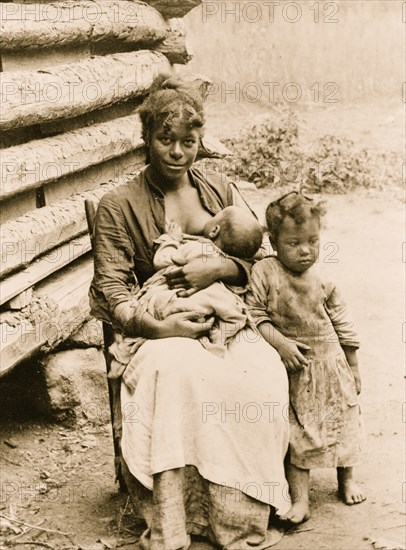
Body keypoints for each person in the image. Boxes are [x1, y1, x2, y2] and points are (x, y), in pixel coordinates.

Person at [89, 74, 291, 549]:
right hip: (158, 324)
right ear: (146, 139)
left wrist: (218, 268)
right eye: (166, 140)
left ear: (200, 140)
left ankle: (238, 517)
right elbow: (111, 289)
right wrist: (159, 327)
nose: (178, 152)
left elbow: (261, 257)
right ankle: (176, 522)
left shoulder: (219, 187)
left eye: (188, 141)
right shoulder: (119, 206)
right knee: (175, 373)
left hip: (222, 314)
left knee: (260, 371)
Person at [245, 190, 366, 526]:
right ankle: (300, 499)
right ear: (273, 241)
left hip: (331, 366)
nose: (305, 251)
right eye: (294, 243)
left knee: (344, 423)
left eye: (313, 241)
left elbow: (345, 326)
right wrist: (281, 344)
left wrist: (353, 367)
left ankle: (347, 479)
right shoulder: (265, 273)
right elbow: (254, 314)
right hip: (295, 370)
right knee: (298, 435)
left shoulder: (323, 280)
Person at [108, 206, 263, 382]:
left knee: (151, 310)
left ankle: (122, 355)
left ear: (214, 230)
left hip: (175, 302)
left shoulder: (196, 248)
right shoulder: (223, 256)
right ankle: (216, 343)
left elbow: (161, 260)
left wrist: (171, 240)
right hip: (210, 308)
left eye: (215, 216)